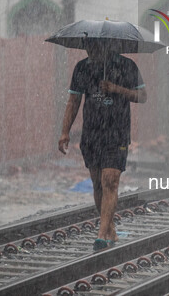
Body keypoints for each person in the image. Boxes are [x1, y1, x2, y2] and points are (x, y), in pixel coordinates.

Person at [58, 41, 147, 251]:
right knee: (97, 183)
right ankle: (110, 227)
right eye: (88, 47)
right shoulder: (82, 68)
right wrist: (64, 132)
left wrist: (117, 89)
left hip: (117, 133)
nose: (90, 51)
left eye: (95, 48)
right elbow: (73, 101)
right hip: (92, 134)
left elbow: (142, 97)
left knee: (110, 181)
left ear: (107, 46)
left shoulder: (127, 66)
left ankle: (101, 233)